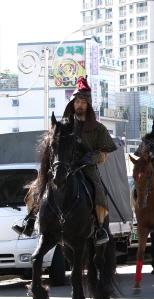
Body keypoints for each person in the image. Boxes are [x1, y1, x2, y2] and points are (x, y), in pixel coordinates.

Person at [12, 76, 116, 246]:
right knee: (38, 184)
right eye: (76, 102)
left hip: (84, 167)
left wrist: (93, 157)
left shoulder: (98, 128)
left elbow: (105, 154)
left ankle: (99, 228)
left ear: (88, 104)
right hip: (62, 165)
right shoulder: (63, 124)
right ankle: (30, 220)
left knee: (98, 189)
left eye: (83, 102)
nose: (79, 105)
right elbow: (52, 143)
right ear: (72, 104)